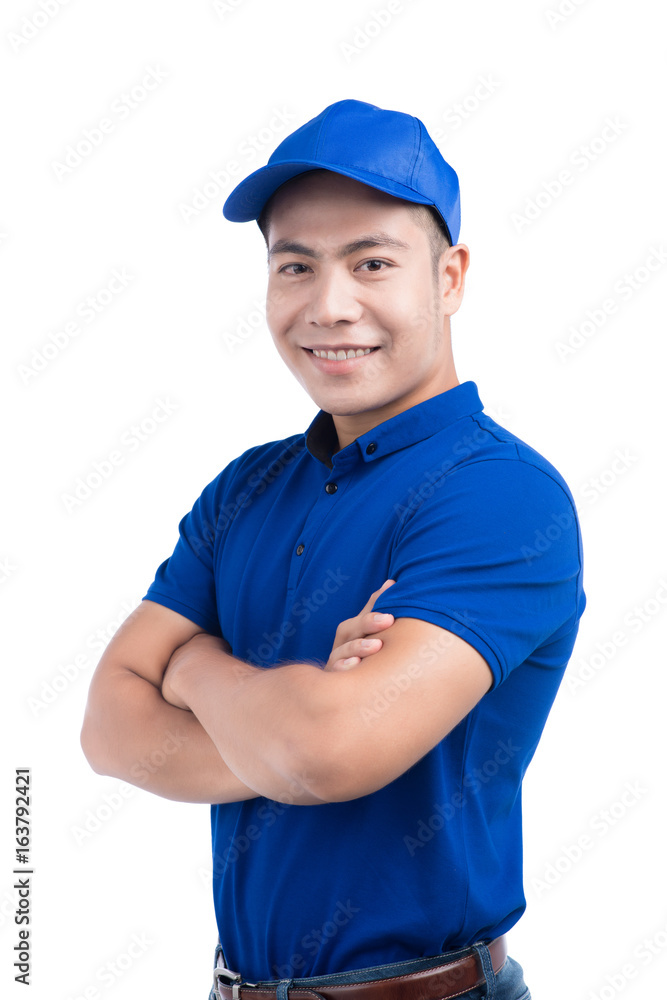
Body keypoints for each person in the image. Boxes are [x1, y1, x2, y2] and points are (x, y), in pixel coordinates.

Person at [81, 99, 585, 1000]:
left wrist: (193, 667)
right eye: (296, 266)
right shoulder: (246, 490)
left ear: (450, 277)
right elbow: (109, 731)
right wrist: (293, 715)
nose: (329, 305)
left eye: (372, 263)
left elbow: (325, 754)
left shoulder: (498, 495)